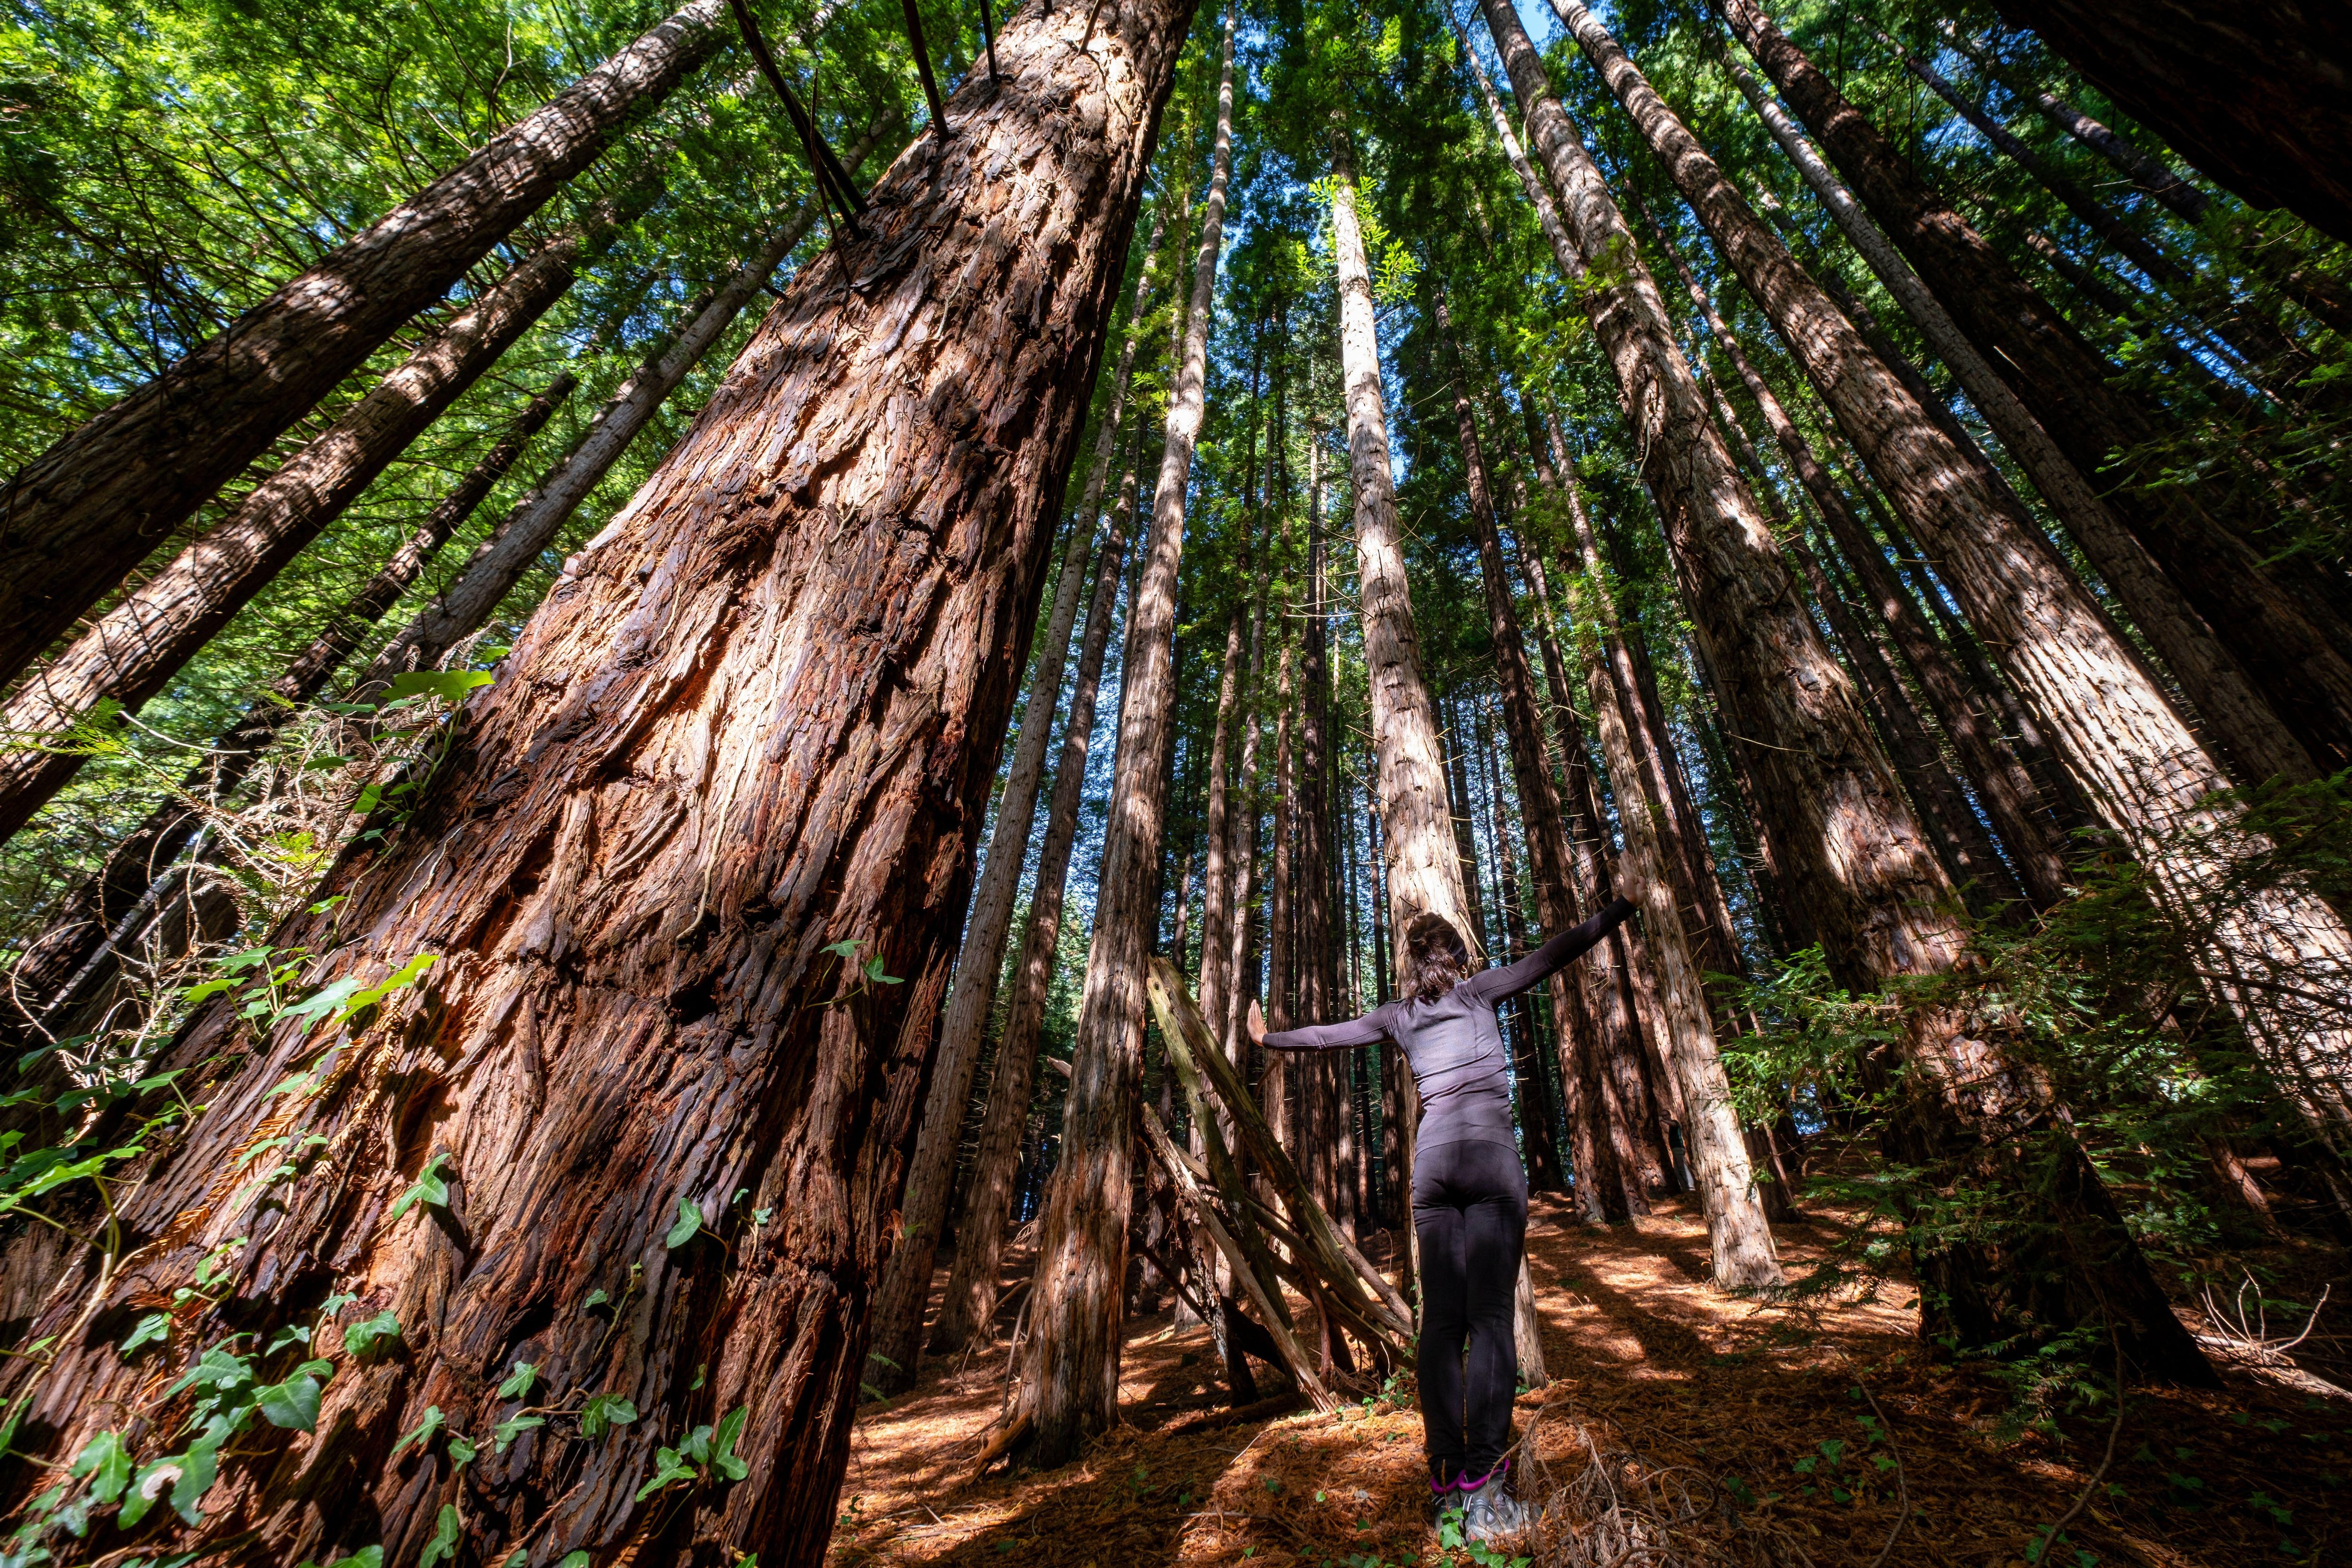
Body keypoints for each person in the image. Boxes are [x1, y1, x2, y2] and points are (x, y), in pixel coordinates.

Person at [1248, 895, 1636, 1543]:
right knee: (1487, 1321)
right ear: (1457, 956)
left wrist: (1267, 1039)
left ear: (1411, 964)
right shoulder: (1481, 992)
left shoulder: (1398, 1017)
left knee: (1441, 1324)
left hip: (1433, 1172)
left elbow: (1326, 1036)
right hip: (1489, 1165)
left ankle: (1447, 1488)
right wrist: (1620, 906)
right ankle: (1485, 1489)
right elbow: (1555, 951)